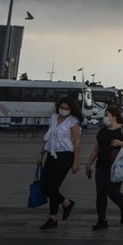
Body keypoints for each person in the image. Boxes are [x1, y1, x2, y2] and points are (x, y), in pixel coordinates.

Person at [84, 104, 123, 231]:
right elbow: (96, 149)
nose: (105, 118)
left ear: (114, 117)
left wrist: (121, 143)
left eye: (107, 115)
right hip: (101, 166)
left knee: (112, 191)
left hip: (117, 167)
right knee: (100, 193)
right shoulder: (102, 131)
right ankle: (102, 220)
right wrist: (88, 163)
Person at [37, 97, 83, 230]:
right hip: (51, 154)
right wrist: (41, 153)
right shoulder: (53, 117)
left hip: (65, 156)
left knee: (53, 187)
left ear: (71, 109)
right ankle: (66, 203)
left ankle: (53, 218)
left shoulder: (73, 122)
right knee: (44, 187)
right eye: (61, 108)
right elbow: (49, 137)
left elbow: (77, 142)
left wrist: (76, 162)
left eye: (66, 108)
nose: (63, 110)